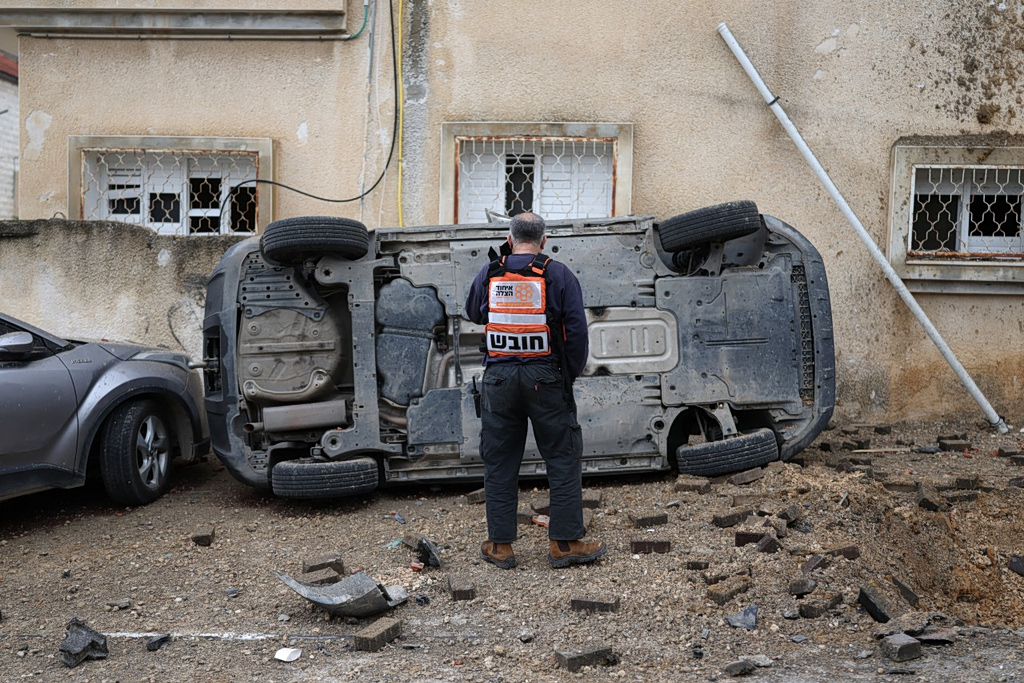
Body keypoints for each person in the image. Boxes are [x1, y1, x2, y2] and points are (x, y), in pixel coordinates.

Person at [464, 212, 607, 569]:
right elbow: (577, 333)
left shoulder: (489, 272)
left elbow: (473, 313)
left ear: (509, 239)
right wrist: (568, 376)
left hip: (498, 379)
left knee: (499, 461)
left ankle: (500, 547)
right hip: (546, 378)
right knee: (562, 456)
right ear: (543, 241)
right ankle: (565, 543)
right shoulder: (558, 274)